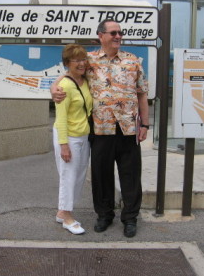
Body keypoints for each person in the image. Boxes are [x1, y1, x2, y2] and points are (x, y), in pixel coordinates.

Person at [51, 19, 149, 238]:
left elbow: (142, 93)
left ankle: (130, 218)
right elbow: (70, 74)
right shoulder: (90, 60)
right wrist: (53, 87)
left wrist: (145, 123)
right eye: (113, 33)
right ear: (101, 36)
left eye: (120, 33)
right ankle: (104, 215)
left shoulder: (133, 61)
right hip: (101, 129)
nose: (118, 36)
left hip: (128, 129)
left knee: (130, 175)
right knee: (101, 175)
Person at [53, 44, 93, 235]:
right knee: (68, 176)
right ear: (67, 63)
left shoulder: (85, 80)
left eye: (83, 59)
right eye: (76, 60)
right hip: (68, 136)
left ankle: (62, 211)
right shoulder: (65, 86)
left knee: (79, 175)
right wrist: (64, 145)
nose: (81, 63)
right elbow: (60, 118)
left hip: (83, 135)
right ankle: (67, 218)